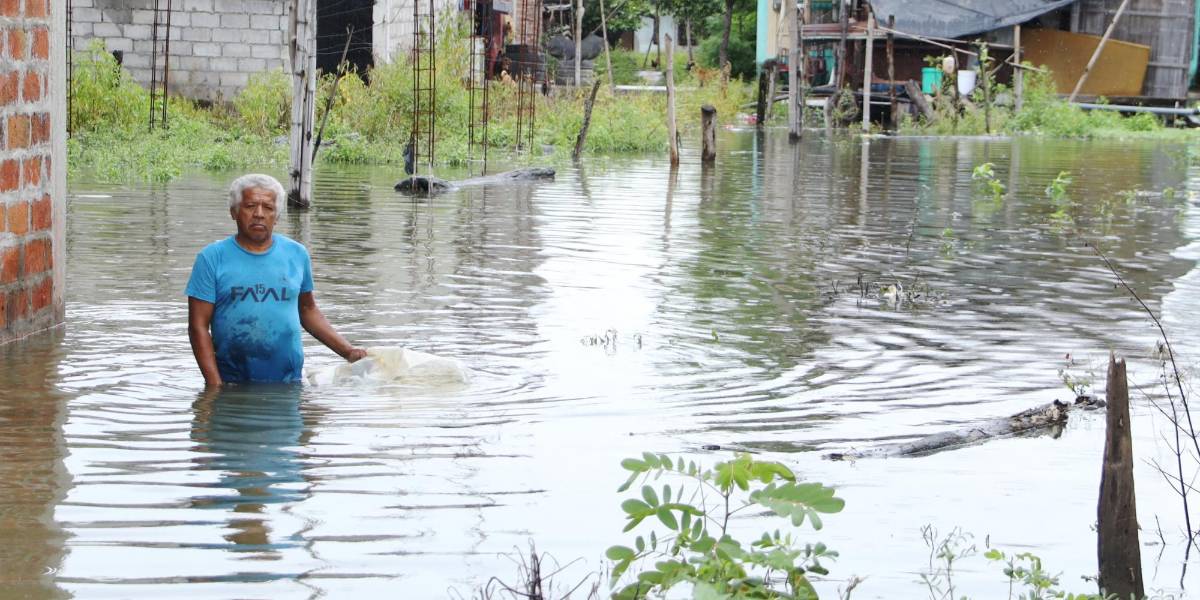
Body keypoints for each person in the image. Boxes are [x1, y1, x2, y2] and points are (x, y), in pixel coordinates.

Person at [186, 174, 366, 386]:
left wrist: (348, 351)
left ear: (277, 215)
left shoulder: (297, 254)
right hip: (232, 383)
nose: (259, 214)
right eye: (250, 206)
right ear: (234, 212)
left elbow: (307, 310)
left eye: (268, 208)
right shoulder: (211, 258)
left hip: (288, 382)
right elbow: (198, 327)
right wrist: (215, 387)